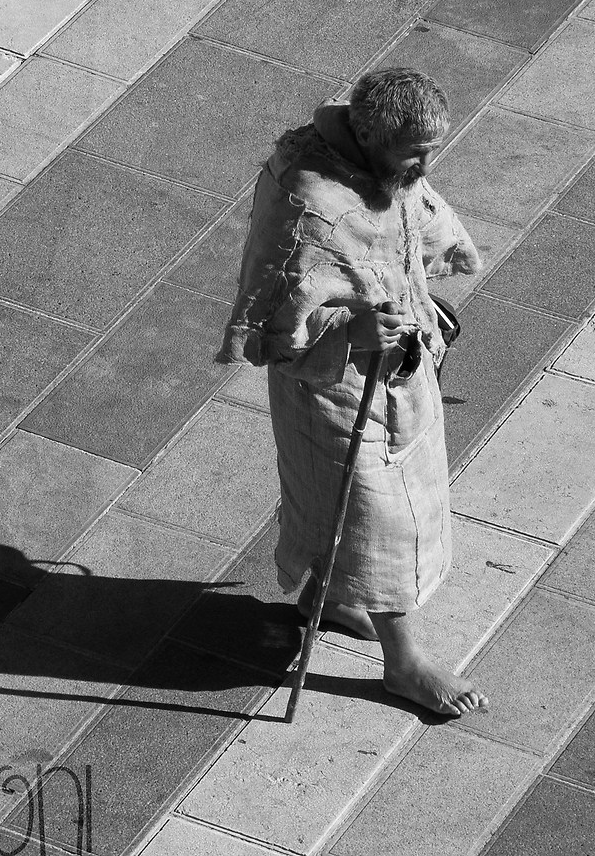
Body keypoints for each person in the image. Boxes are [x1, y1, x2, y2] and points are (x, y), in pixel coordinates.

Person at [217, 67, 488, 717]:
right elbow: (276, 321)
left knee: (379, 499)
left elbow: (411, 223)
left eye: (430, 150)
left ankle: (330, 598)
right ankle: (404, 664)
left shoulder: (389, 165)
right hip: (331, 384)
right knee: (377, 515)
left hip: (399, 368)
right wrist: (353, 327)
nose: (424, 166)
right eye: (414, 153)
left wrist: (416, 288)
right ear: (368, 136)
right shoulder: (307, 200)